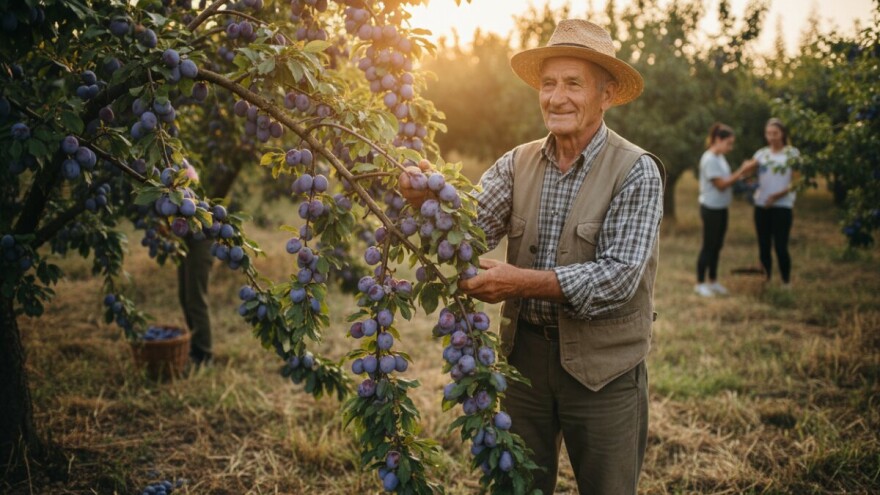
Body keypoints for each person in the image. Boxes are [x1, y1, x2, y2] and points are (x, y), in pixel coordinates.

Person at [404, 19, 664, 494]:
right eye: (548, 84)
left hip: (604, 370)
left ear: (606, 95)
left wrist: (519, 282)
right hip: (524, 358)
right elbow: (470, 232)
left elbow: (620, 277)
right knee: (517, 486)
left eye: (573, 84)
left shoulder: (636, 171)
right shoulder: (517, 163)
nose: (556, 97)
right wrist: (426, 201)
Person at [694, 123, 756, 297]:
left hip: (721, 207)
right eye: (728, 143)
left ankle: (713, 281)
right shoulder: (709, 159)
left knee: (717, 245)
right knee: (708, 245)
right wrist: (741, 171)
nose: (731, 147)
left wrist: (743, 175)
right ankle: (700, 283)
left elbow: (728, 178)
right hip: (711, 208)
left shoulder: (720, 157)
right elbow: (721, 184)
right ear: (718, 140)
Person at [751, 118, 800, 288]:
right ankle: (766, 280)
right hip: (762, 206)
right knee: (763, 245)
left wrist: (776, 196)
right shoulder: (761, 154)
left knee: (780, 246)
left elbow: (797, 182)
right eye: (768, 133)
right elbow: (751, 176)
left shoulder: (792, 154)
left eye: (775, 133)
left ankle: (786, 281)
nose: (771, 137)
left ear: (783, 134)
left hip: (782, 206)